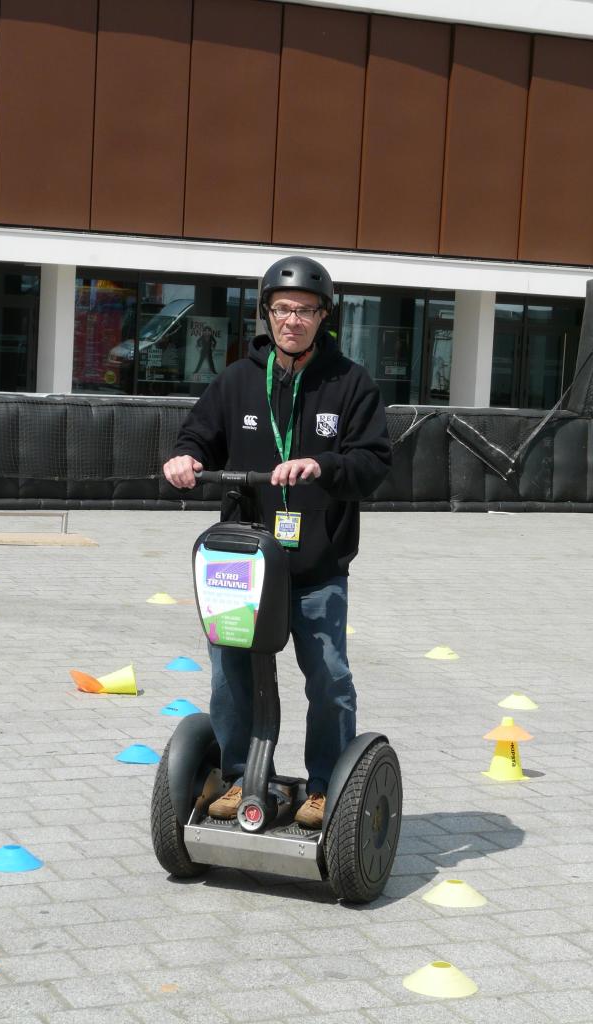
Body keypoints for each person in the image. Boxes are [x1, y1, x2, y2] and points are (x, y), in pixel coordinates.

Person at [162, 256, 392, 829]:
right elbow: (199, 434)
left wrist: (323, 465)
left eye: (306, 310)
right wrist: (186, 457)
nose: (294, 320)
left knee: (330, 679)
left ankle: (323, 788)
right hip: (243, 565)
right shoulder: (239, 378)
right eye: (283, 309)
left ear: (323, 317)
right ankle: (241, 776)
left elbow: (373, 462)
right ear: (267, 313)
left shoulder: (351, 383)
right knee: (230, 673)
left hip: (315, 565)